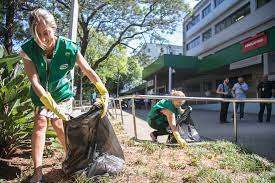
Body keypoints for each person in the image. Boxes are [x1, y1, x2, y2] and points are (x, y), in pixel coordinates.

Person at [19, 8, 109, 183]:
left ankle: (72, 158)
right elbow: (35, 81)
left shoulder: (69, 48)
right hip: (41, 94)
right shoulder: (28, 49)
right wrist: (47, 102)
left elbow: (88, 70)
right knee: (40, 123)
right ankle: (38, 173)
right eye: (38, 34)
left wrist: (103, 91)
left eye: (46, 32)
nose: (43, 38)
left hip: (62, 94)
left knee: (58, 124)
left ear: (54, 27)